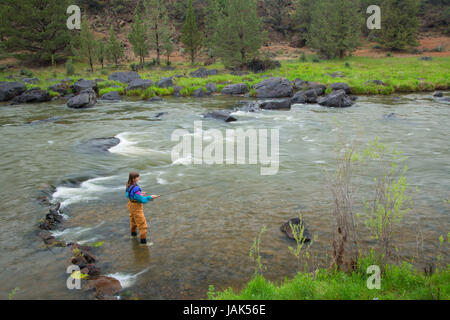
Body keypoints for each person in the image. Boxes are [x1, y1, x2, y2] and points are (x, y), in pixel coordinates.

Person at [126, 172, 160, 246]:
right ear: (134, 178)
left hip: (130, 204)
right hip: (136, 207)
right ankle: (143, 242)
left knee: (133, 221)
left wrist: (139, 194)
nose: (138, 178)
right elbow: (142, 200)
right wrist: (150, 197)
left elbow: (127, 195)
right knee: (143, 225)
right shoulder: (136, 188)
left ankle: (133, 235)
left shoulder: (128, 184)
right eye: (137, 177)